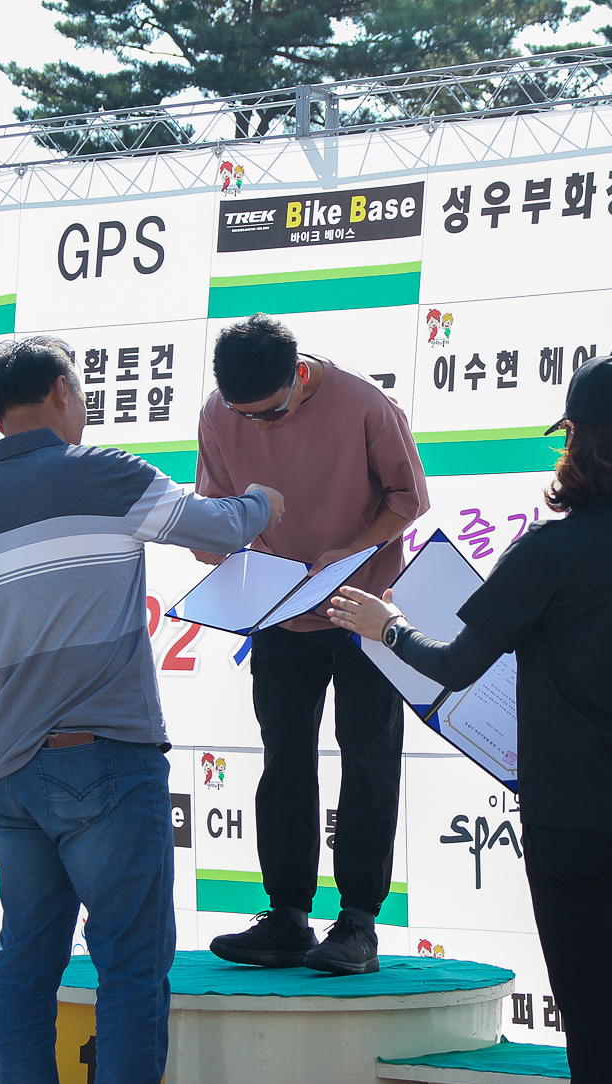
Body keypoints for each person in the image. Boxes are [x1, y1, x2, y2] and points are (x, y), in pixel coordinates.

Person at [326, 355, 612, 1084]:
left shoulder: (553, 549)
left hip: (573, 813)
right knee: (603, 1003)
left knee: (593, 1010)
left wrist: (386, 627)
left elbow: (455, 663)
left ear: (578, 442)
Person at [0, 335, 280, 1084]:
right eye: (80, 391)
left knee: (25, 964)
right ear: (61, 390)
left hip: (8, 770)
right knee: (129, 959)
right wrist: (266, 499)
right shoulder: (101, 473)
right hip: (104, 755)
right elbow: (219, 526)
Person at [197, 313, 429, 975]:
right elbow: (216, 506)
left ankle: (358, 921)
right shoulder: (218, 413)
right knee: (284, 758)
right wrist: (211, 542)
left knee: (369, 757)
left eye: (270, 413)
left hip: (363, 608)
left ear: (299, 375)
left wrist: (350, 552)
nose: (259, 427)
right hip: (278, 608)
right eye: (244, 417)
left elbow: (408, 500)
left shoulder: (365, 405)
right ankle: (287, 915)